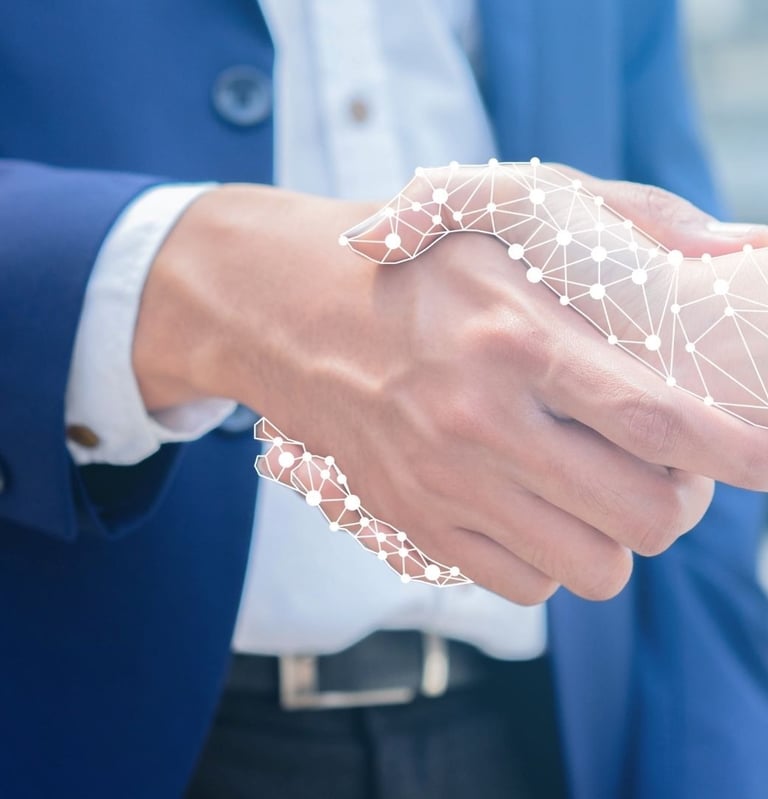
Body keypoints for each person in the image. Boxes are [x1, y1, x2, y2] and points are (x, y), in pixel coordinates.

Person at [0, 2, 766, 798]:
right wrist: (218, 287)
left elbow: (696, 420)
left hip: (543, 740)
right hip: (81, 718)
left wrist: (716, 766)